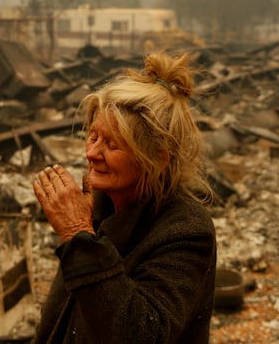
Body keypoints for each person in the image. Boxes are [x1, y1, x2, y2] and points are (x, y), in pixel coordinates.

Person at [32, 51, 217, 343]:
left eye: (113, 145)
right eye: (93, 137)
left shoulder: (186, 232)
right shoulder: (97, 205)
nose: (91, 153)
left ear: (157, 159)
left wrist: (78, 235)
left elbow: (142, 334)